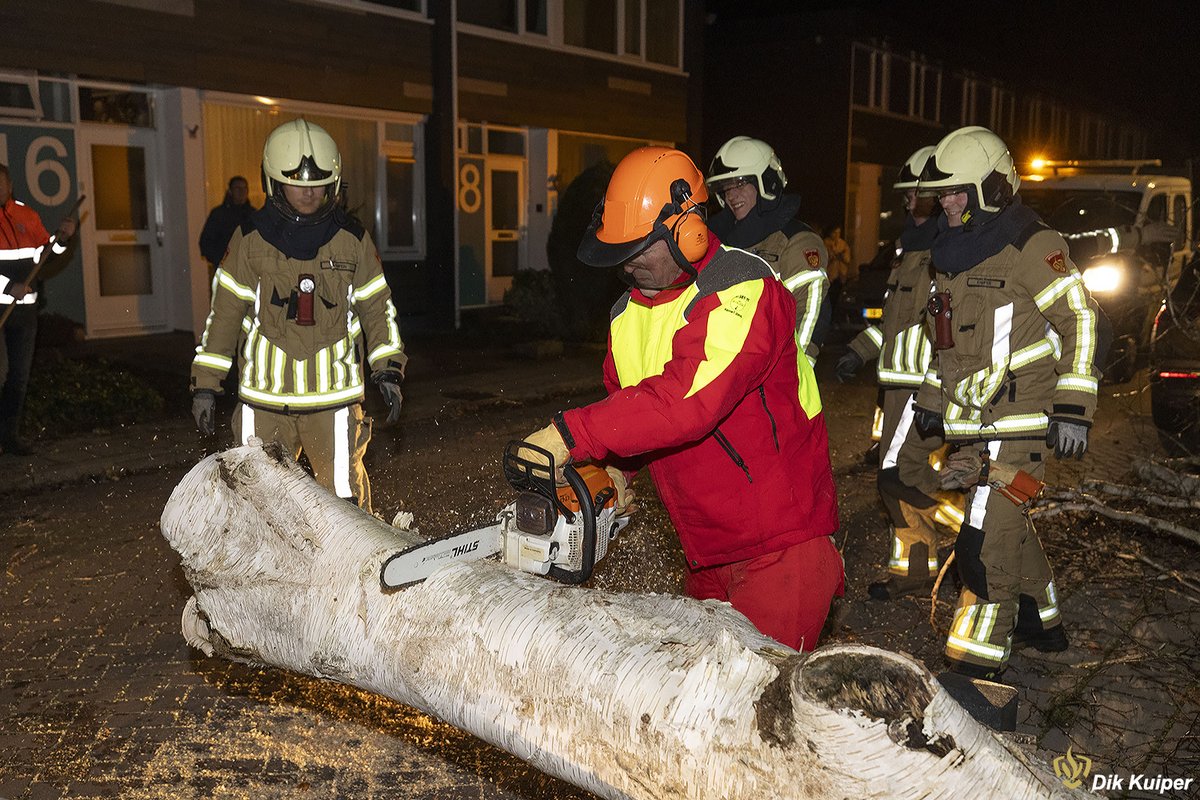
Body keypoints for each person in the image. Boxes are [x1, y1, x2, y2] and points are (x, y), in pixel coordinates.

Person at [520, 147, 842, 652]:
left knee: (758, 712)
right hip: (704, 550)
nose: (626, 266)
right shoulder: (627, 315)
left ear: (686, 230)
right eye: (617, 253)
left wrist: (569, 434)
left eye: (637, 249)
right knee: (701, 705)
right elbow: (634, 414)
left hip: (779, 548)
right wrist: (616, 475)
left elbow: (683, 402)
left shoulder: (742, 289)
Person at [912, 126, 1102, 679]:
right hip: (968, 425)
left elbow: (1081, 320)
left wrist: (1073, 404)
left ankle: (973, 675)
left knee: (981, 549)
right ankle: (1042, 621)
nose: (945, 203)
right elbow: (942, 339)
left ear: (991, 189)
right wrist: (929, 396)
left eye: (955, 193)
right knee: (1006, 526)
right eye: (940, 194)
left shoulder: (1033, 246)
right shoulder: (948, 254)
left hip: (1019, 423)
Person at [190, 119, 406, 511]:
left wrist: (387, 368)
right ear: (273, 182)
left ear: (333, 183)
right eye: (297, 184)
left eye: (318, 184)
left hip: (334, 403)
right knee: (260, 507)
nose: (308, 194)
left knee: (344, 507)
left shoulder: (352, 240)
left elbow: (377, 306)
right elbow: (224, 314)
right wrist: (205, 384)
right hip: (265, 402)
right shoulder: (249, 241)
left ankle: (351, 572)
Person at [836, 145, 960, 601]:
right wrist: (857, 351)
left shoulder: (946, 254)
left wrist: (935, 386)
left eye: (916, 195)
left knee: (896, 477)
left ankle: (979, 533)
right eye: (906, 196)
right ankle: (915, 568)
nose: (908, 203)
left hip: (922, 389)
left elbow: (950, 334)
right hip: (896, 387)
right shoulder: (910, 250)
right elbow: (893, 323)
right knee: (894, 482)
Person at [706, 136, 830, 365]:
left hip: (770, 380)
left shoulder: (796, 241)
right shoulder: (717, 241)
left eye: (740, 183)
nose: (731, 196)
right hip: (719, 374)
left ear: (767, 182)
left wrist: (791, 374)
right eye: (725, 188)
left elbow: (810, 315)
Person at [0, 164, 77, 456]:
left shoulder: (26, 215)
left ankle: (9, 436)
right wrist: (8, 288)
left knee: (19, 376)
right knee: (0, 374)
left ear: (10, 186)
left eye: (1, 183)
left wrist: (63, 238)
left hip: (24, 314)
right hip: (0, 308)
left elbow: (45, 254)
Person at [198, 175, 254, 272]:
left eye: (244, 188)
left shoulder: (254, 215)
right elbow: (206, 241)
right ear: (230, 191)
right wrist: (220, 259)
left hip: (249, 270)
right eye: (238, 188)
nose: (242, 192)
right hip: (226, 269)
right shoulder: (219, 215)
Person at [823, 224, 852, 317]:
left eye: (838, 233)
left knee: (839, 298)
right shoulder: (825, 243)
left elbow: (847, 259)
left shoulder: (843, 244)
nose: (836, 235)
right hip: (830, 276)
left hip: (841, 276)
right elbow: (825, 259)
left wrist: (841, 256)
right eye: (834, 233)